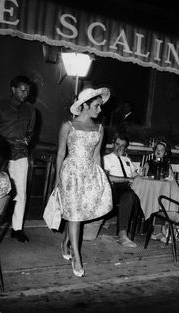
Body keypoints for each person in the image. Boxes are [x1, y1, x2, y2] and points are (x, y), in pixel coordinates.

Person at [55, 87, 113, 277]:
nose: (100, 110)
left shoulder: (99, 128)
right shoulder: (68, 125)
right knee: (74, 215)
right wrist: (57, 180)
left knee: (78, 214)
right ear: (85, 105)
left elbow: (97, 155)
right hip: (71, 173)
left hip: (89, 173)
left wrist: (101, 177)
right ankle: (77, 257)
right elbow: (61, 153)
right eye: (97, 106)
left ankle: (65, 242)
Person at [0, 76, 36, 242]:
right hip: (0, 154)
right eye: (22, 89)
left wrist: (26, 140)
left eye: (27, 90)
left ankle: (17, 229)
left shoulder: (31, 110)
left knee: (21, 193)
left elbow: (30, 131)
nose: (25, 93)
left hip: (20, 155)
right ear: (13, 89)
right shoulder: (1, 105)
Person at [103, 134, 140, 248]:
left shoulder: (127, 160)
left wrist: (141, 178)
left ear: (125, 148)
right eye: (117, 144)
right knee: (129, 195)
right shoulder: (106, 158)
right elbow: (107, 178)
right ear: (113, 144)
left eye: (122, 146)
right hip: (114, 189)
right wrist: (128, 179)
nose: (119, 147)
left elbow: (136, 176)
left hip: (130, 187)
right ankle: (122, 235)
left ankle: (155, 230)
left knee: (146, 192)